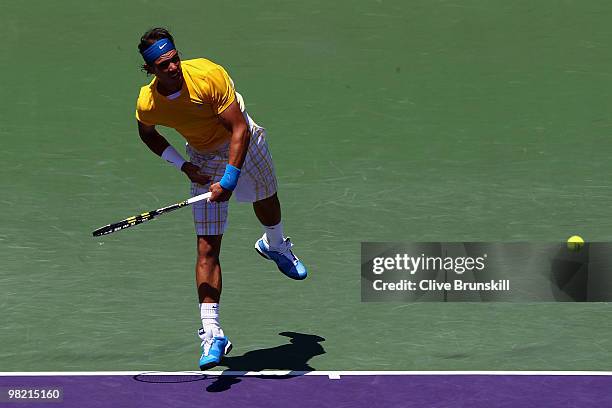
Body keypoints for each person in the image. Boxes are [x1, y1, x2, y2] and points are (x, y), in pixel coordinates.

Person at [134, 27, 307, 370]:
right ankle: (213, 333)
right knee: (207, 246)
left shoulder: (208, 75)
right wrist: (183, 166)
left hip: (243, 140)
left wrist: (228, 179)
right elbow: (147, 133)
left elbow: (239, 129)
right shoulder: (148, 103)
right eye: (163, 65)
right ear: (151, 70)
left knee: (266, 196)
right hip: (201, 157)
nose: (172, 68)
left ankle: (275, 244)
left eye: (174, 59)